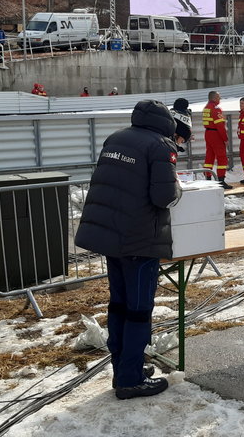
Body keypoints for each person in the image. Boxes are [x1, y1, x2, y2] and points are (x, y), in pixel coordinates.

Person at [75, 99, 181, 400]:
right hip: (139, 241)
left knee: (119, 306)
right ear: (166, 124)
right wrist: (176, 187)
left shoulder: (116, 138)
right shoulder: (161, 146)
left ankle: (123, 368)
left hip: (112, 238)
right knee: (138, 311)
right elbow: (163, 197)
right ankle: (130, 380)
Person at [202, 90, 231, 189]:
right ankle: (221, 181)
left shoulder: (206, 108)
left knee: (209, 157)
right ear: (214, 98)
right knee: (222, 157)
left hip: (208, 133)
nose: (220, 99)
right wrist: (225, 139)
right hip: (216, 134)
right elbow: (220, 126)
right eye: (219, 97)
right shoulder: (216, 109)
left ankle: (208, 179)